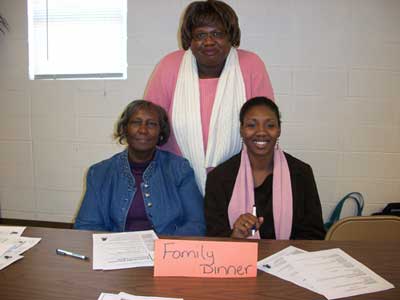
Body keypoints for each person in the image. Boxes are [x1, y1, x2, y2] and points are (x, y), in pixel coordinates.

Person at [145, 0, 274, 194]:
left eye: (217, 34)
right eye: (200, 35)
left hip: (239, 178)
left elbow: (266, 127)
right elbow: (150, 124)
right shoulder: (169, 65)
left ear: (231, 35)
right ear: (190, 38)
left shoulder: (251, 65)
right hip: (176, 180)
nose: (208, 42)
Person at [74, 100, 205, 236]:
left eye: (151, 124)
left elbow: (196, 224)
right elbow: (86, 225)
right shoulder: (100, 173)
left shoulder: (179, 169)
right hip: (117, 252)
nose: (143, 130)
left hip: (166, 251)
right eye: (136, 123)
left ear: (161, 132)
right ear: (125, 129)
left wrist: (162, 248)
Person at [204, 97, 326, 240]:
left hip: (289, 260)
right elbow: (214, 237)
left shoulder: (301, 174)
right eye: (251, 125)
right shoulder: (218, 178)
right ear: (242, 130)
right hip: (238, 260)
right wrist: (234, 235)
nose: (261, 132)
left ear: (279, 130)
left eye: (270, 125)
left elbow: (315, 234)